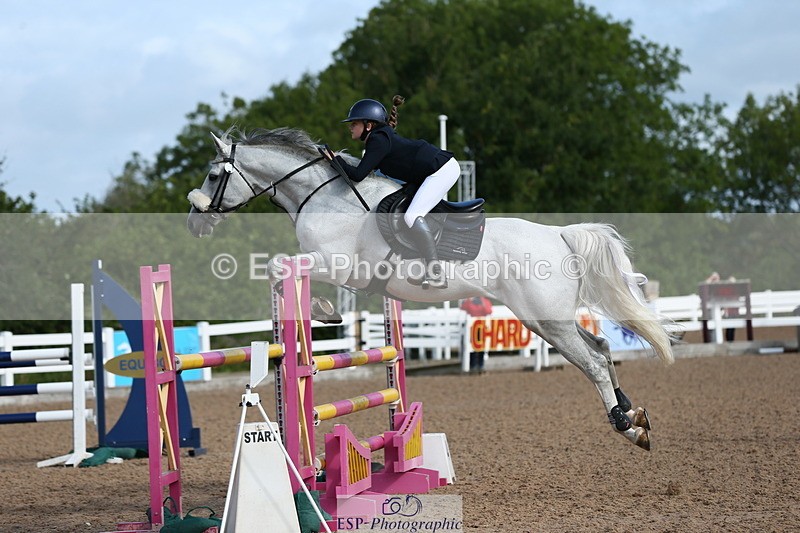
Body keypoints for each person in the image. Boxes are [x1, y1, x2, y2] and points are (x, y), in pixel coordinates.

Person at [328, 95, 461, 289]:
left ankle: (436, 272)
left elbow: (357, 175)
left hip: (441, 170)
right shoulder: (379, 138)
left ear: (368, 125)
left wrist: (334, 159)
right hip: (429, 172)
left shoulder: (378, 140)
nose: (350, 127)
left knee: (412, 216)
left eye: (354, 123)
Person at [460, 296, 493, 374]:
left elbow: (488, 311)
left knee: (481, 348)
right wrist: (469, 301)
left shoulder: (485, 301)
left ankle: (480, 365)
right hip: (471, 329)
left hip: (482, 328)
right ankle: (473, 366)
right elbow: (463, 308)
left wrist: (482, 302)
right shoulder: (469, 301)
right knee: (472, 348)